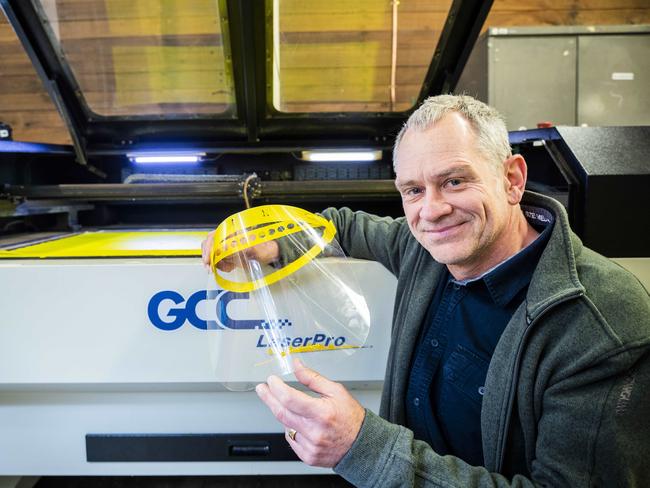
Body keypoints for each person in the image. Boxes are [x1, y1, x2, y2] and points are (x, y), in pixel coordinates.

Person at [201, 95, 650, 486]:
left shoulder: (600, 324)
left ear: (512, 179)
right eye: (413, 190)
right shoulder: (420, 249)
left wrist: (363, 447)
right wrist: (269, 238)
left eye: (454, 181)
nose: (431, 211)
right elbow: (341, 226)